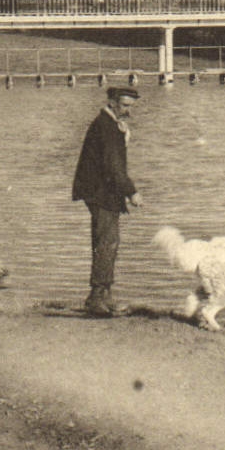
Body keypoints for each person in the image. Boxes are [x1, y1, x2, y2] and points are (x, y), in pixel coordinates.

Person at [71, 86, 142, 316]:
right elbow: (113, 166)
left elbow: (114, 164)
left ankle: (105, 296)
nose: (129, 111)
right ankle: (96, 298)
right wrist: (132, 192)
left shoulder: (110, 125)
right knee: (106, 242)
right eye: (125, 106)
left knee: (109, 241)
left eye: (131, 106)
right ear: (112, 102)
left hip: (102, 190)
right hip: (101, 191)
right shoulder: (106, 127)